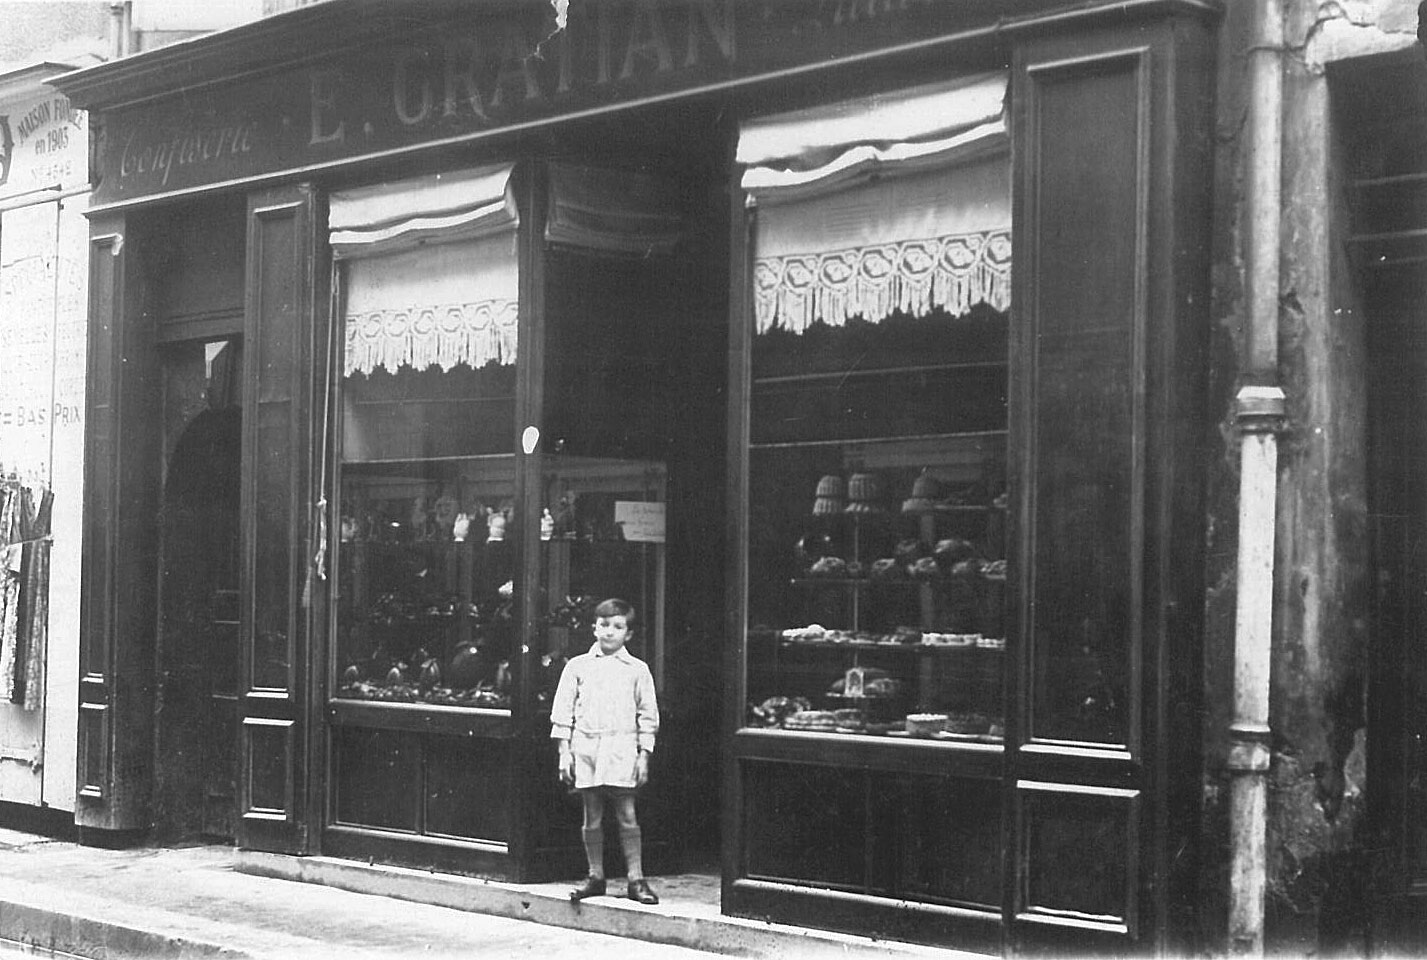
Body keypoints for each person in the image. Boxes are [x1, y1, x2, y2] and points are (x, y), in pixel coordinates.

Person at [549, 597, 661, 904]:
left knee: (627, 813)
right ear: (593, 628)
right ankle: (595, 875)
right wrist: (564, 752)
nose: (609, 632)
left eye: (618, 626)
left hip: (622, 748)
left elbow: (648, 716)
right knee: (592, 814)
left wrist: (643, 756)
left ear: (629, 633)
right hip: (586, 747)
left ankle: (636, 880)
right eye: (603, 625)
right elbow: (563, 712)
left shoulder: (637, 669)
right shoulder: (577, 666)